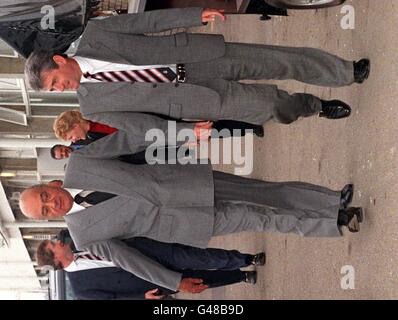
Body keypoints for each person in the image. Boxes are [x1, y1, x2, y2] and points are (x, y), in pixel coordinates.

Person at [20, 156, 362, 292]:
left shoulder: (80, 164)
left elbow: (132, 143)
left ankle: (331, 201)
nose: (53, 204)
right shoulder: (84, 234)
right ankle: (336, 222)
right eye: (46, 211)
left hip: (187, 181)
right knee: (260, 217)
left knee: (265, 193)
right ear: (49, 219)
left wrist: (183, 132)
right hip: (185, 223)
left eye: (45, 197)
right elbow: (130, 261)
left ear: (48, 186)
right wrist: (175, 281)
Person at [24, 7, 370, 135]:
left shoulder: (97, 34)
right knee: (270, 107)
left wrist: (194, 16)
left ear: (58, 61)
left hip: (199, 56)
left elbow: (148, 20)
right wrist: (186, 130)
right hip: (192, 100)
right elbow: (141, 124)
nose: (61, 88)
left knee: (277, 59)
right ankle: (315, 107)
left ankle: (344, 71)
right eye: (54, 91)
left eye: (55, 82)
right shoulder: (91, 107)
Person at [37, 232, 264, 299]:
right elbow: (113, 300)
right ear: (56, 260)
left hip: (150, 252)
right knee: (201, 280)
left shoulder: (81, 240)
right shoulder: (81, 290)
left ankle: (246, 259)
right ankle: (240, 277)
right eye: (53, 245)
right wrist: (142, 299)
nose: (58, 241)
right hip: (150, 281)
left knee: (199, 257)